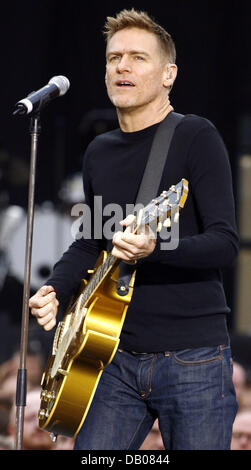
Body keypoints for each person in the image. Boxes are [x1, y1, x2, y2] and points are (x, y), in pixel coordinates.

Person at [29, 9, 239, 450]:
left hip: (192, 358)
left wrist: (154, 248)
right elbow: (92, 240)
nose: (121, 66)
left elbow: (224, 243)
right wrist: (56, 290)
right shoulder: (99, 152)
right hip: (110, 356)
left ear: (168, 74)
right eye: (113, 58)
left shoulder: (195, 137)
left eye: (137, 58)